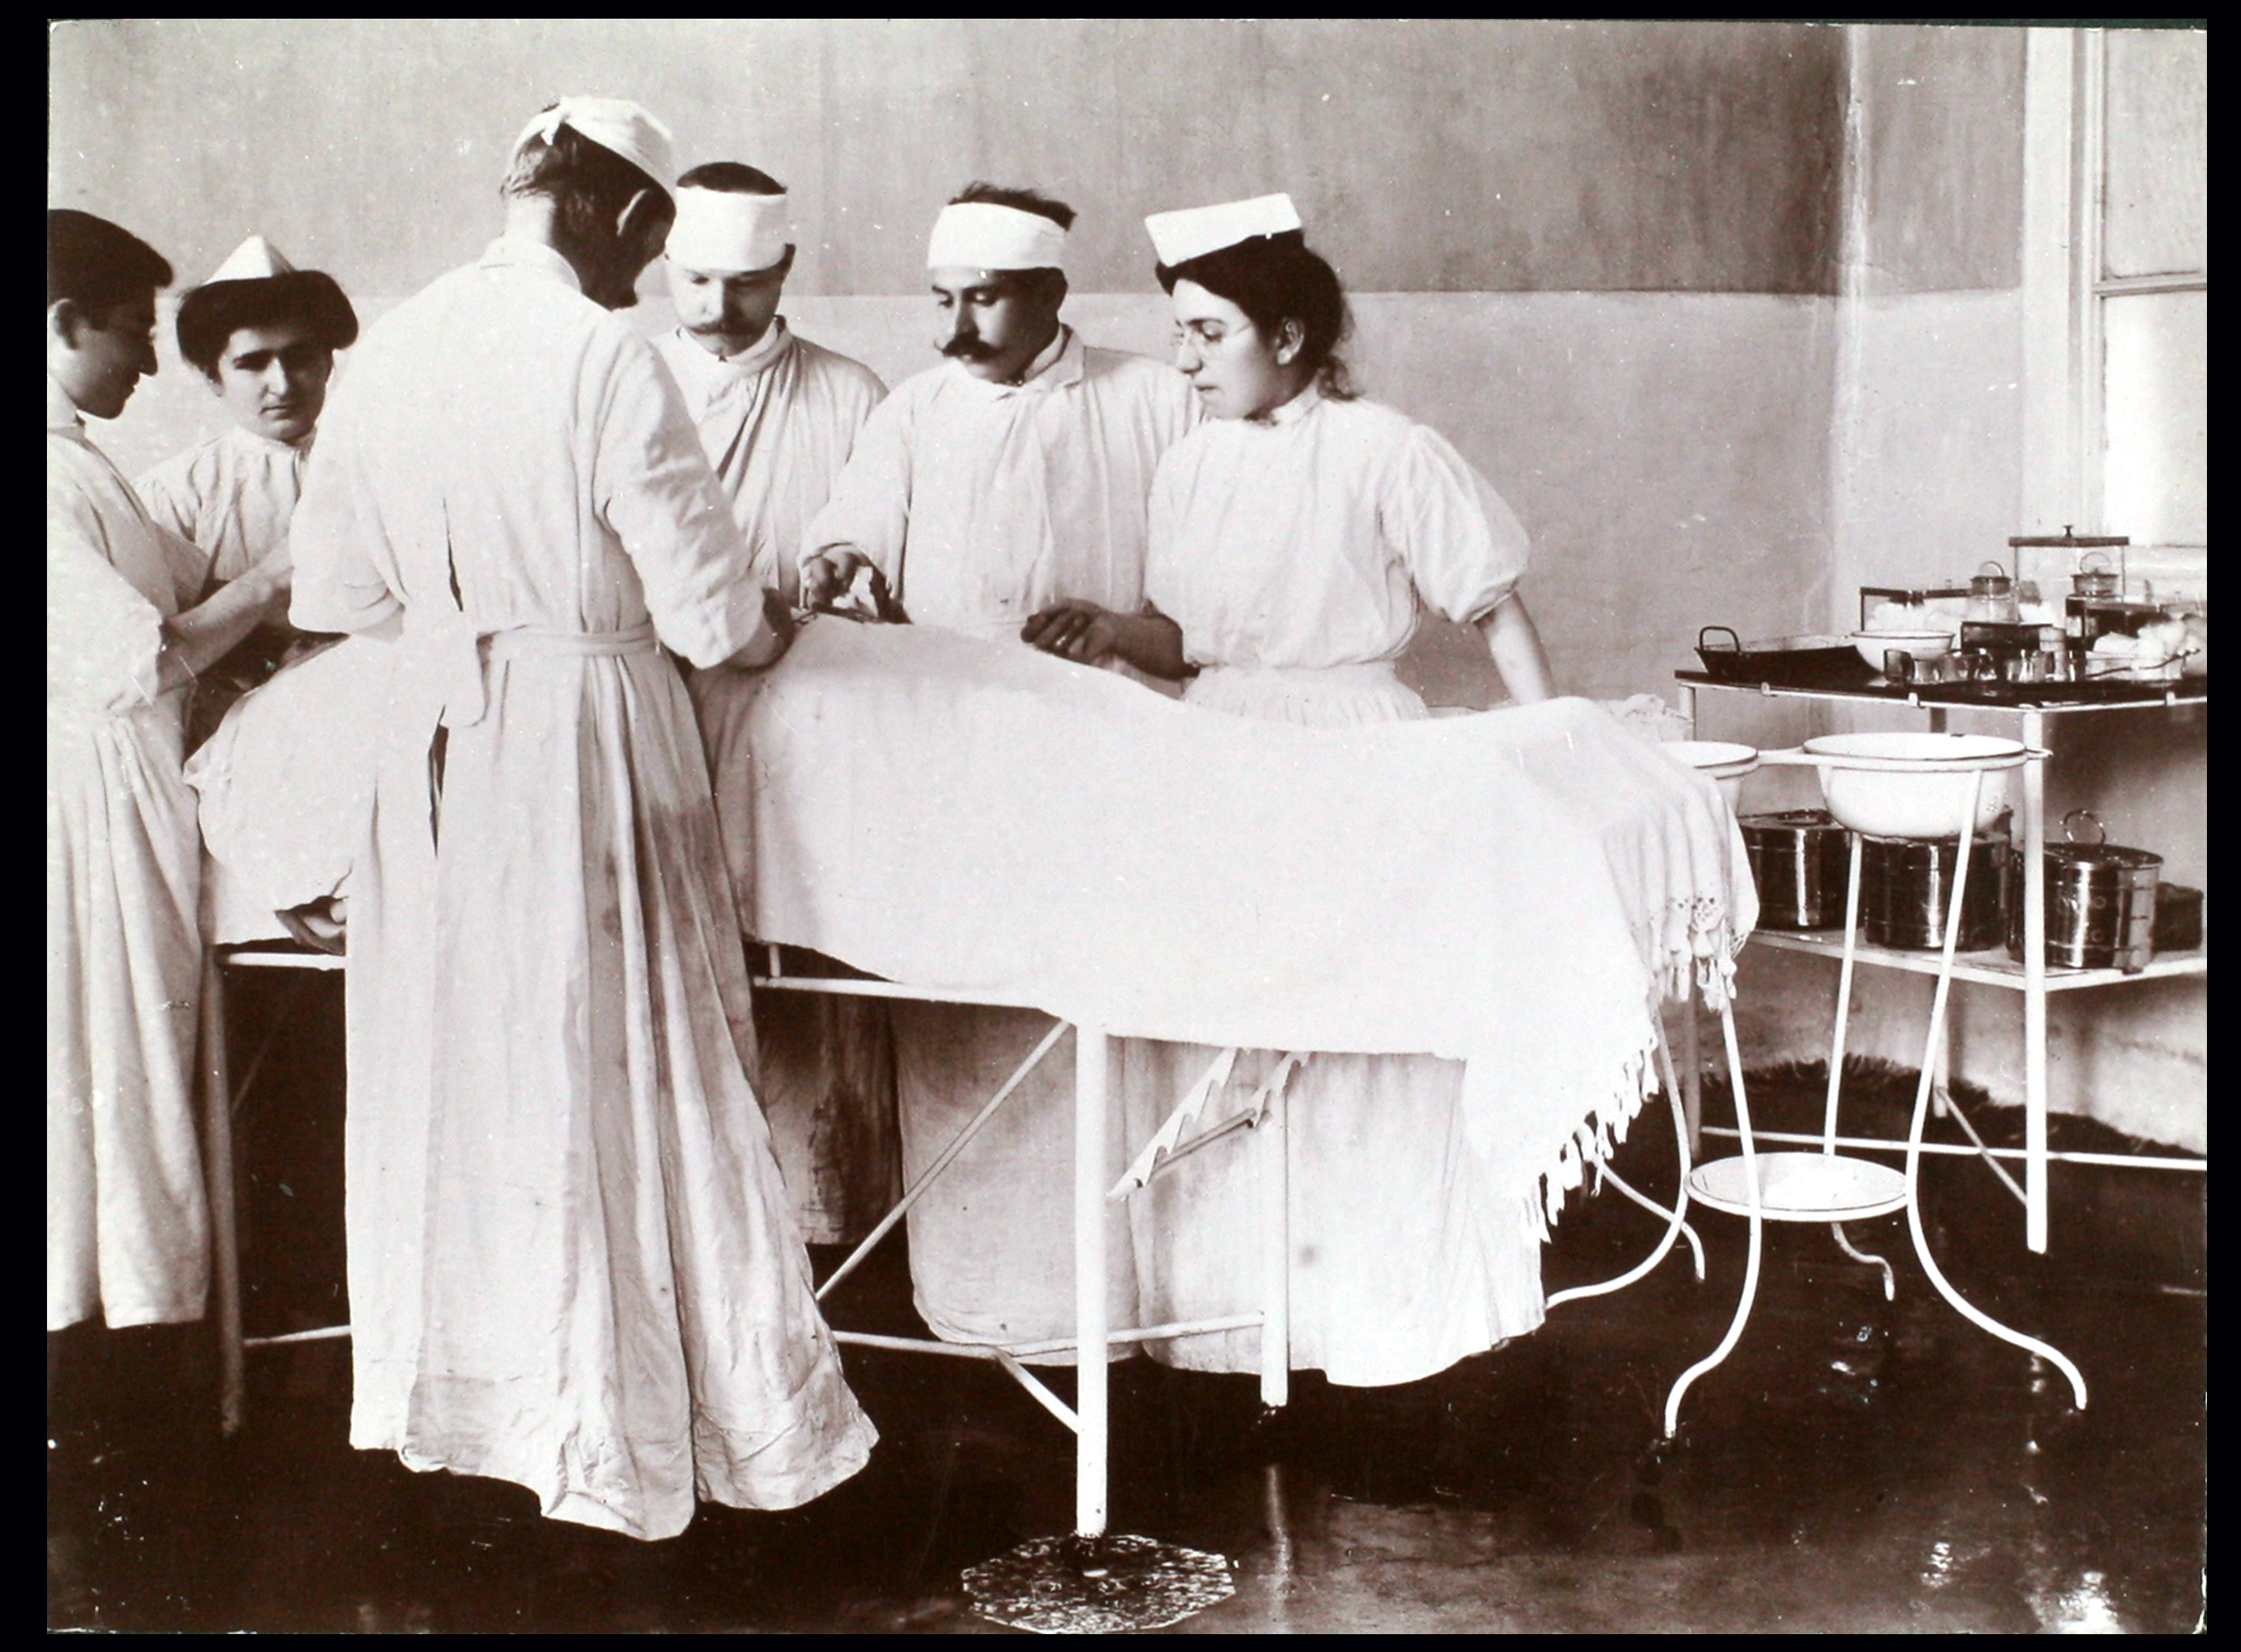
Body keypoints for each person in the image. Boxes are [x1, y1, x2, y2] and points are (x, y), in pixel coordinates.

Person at [285, 97, 874, 1540]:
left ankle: (482, 1410)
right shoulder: (601, 347)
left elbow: (340, 596)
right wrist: (778, 614)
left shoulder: (395, 343)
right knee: (620, 1061)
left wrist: (463, 608)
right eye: (649, 244)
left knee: (468, 1072)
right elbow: (715, 619)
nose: (644, 278)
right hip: (588, 731)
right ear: (616, 215)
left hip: (433, 744)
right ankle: (632, 1430)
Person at [1022, 194, 1559, 1386]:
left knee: (1355, 1033)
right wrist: (1113, 630)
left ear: (1291, 338)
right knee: (1222, 1030)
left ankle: (1372, 1325)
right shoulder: (1189, 462)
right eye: (1178, 331)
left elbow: (1492, 602)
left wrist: (1542, 741)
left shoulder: (1387, 450)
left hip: (1349, 750)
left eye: (1208, 333)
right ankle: (1230, 1329)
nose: (1183, 358)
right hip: (1220, 751)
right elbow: (1194, 641)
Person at [795, 185, 1199, 1354]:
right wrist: (841, 557)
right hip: (954, 769)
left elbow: (1204, 566)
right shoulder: (919, 409)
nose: (954, 327)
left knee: (1096, 1013)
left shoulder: (1151, 399)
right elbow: (859, 515)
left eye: (981, 300)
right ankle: (974, 1307)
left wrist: (1123, 624)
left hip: (1103, 763)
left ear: (1051, 295)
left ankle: (1116, 1313)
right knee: (965, 1016)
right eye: (942, 300)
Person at [47, 209, 294, 1335]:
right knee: (104, 1057)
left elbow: (193, 588)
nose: (152, 359)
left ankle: (130, 1315)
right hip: (83, 807)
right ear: (62, 323)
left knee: (133, 1059)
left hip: (130, 791)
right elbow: (148, 650)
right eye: (135, 332)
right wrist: (284, 576)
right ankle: (106, 1339)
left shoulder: (83, 468)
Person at [654, 165, 900, 1246]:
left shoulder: (848, 393)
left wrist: (844, 575)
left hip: (799, 724)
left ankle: (824, 1233)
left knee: (804, 965)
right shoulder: (628, 377)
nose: (715, 309)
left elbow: (878, 546)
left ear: (785, 269)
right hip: (654, 709)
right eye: (696, 279)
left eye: (744, 283)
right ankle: (688, 1232)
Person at [138, 236, 361, 753]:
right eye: (253, 363)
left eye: (300, 357)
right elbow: (148, 658)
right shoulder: (175, 494)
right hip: (223, 749)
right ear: (213, 377)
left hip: (360, 741)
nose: (281, 384)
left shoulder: (382, 473)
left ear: (328, 363)